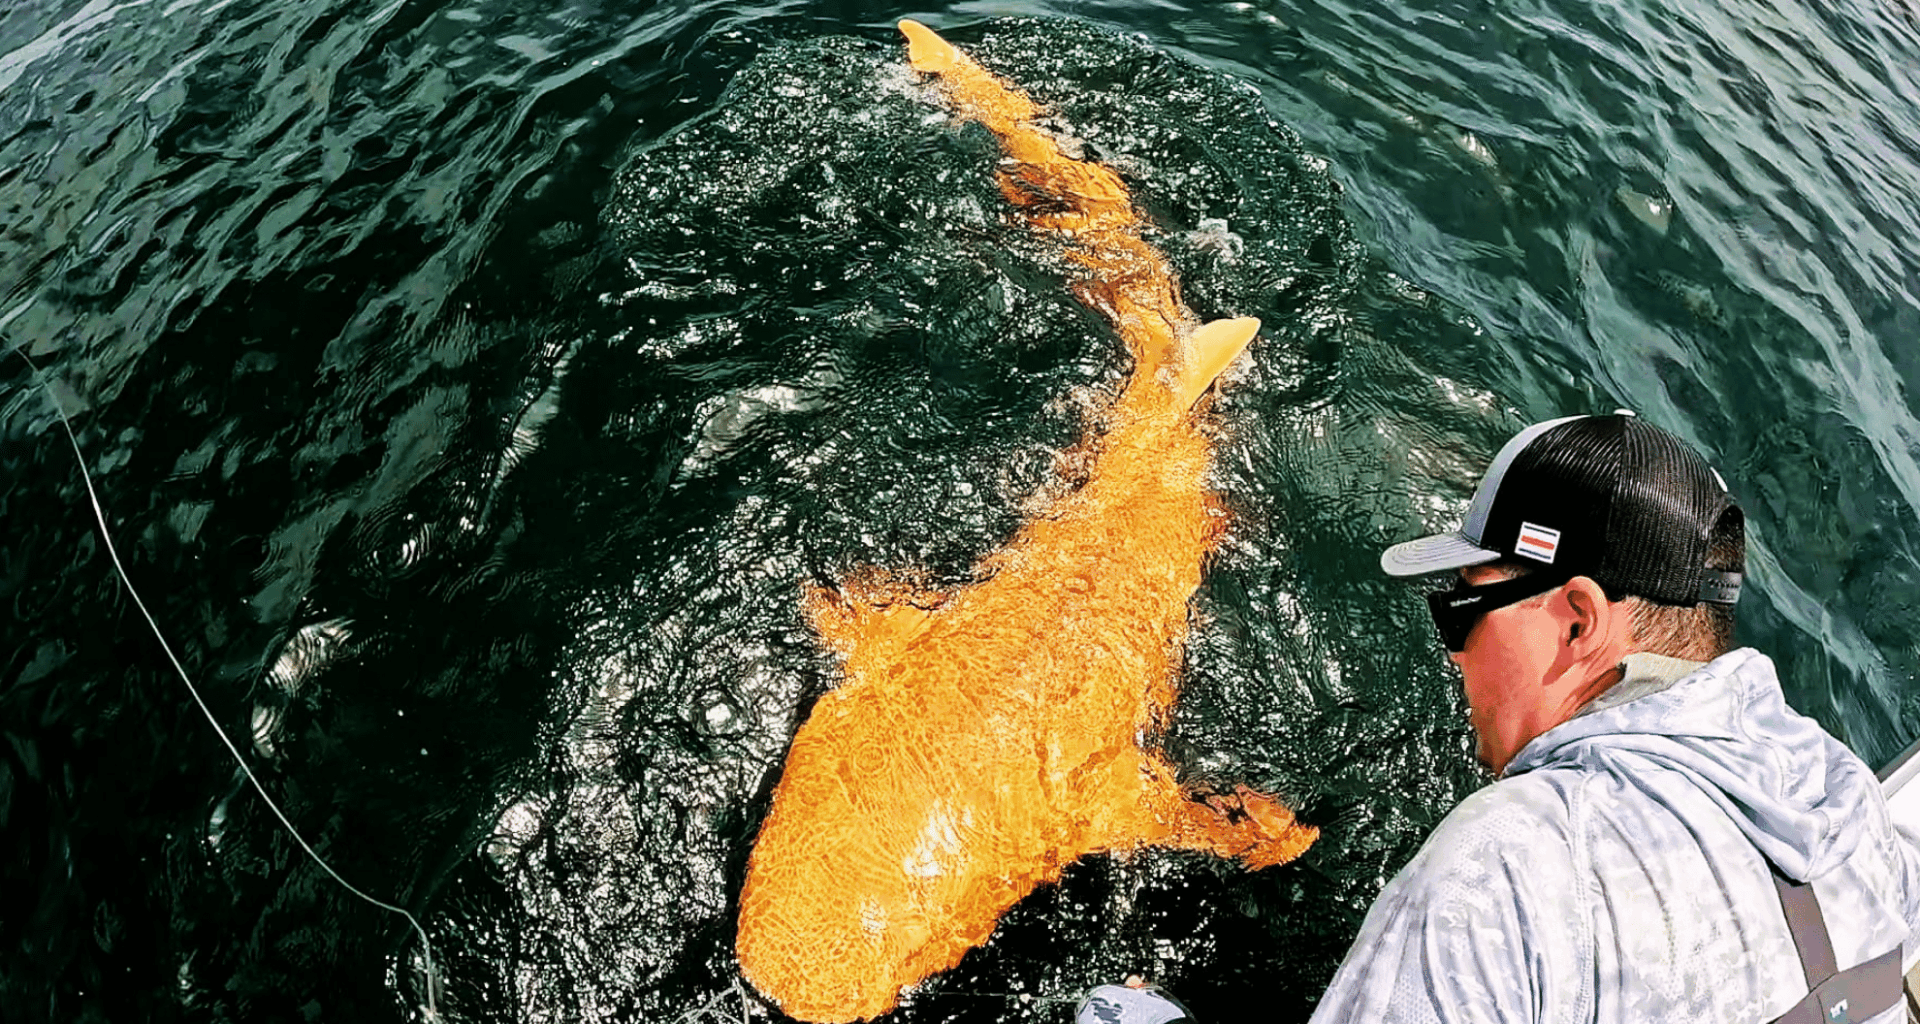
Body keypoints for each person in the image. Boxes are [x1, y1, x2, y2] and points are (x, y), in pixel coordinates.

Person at [1305, 411, 1920, 1023]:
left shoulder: (1503, 866)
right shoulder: (1844, 795)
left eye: (1463, 606)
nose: (1453, 647)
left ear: (1579, 621)